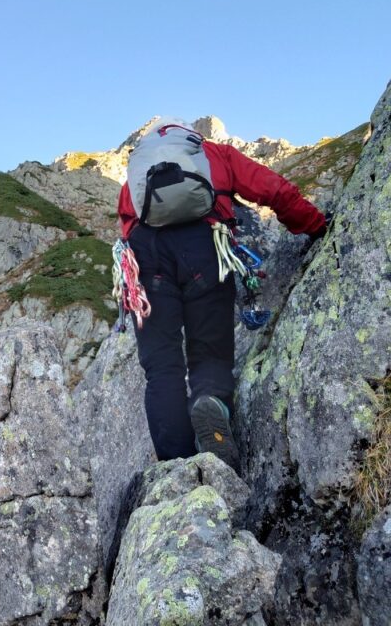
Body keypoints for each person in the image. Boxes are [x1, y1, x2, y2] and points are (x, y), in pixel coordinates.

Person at [117, 119, 327, 471]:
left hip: (146, 258)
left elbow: (127, 225)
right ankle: (209, 400)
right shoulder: (214, 154)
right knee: (209, 351)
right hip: (206, 246)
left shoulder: (135, 177)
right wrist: (314, 224)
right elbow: (271, 189)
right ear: (192, 140)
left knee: (162, 366)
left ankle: (176, 470)